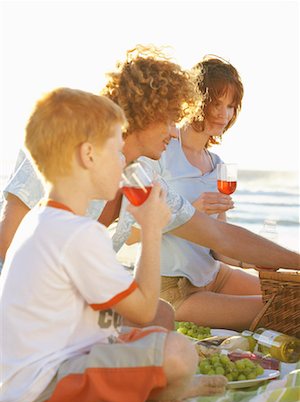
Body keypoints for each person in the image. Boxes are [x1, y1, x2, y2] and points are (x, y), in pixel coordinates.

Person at [0, 87, 227, 402]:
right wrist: (151, 229)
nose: (124, 163)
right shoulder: (78, 232)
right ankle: (153, 398)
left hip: (26, 375)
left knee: (153, 331)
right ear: (88, 155)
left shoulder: (44, 219)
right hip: (42, 387)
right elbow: (143, 308)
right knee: (179, 352)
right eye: (118, 152)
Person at [0, 45, 299, 279]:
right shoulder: (62, 146)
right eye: (170, 119)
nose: (174, 131)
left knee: (161, 318)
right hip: (24, 310)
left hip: (70, 304)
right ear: (145, 112)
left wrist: (296, 261)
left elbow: (221, 236)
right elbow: (7, 243)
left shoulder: (142, 179)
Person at [129, 56, 262, 330]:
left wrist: (261, 264)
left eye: (231, 106)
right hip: (174, 290)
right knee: (271, 312)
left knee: (288, 297)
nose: (224, 114)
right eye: (216, 103)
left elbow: (221, 245)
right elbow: (129, 234)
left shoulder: (218, 167)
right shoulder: (161, 151)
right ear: (195, 100)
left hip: (215, 275)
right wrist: (191, 211)